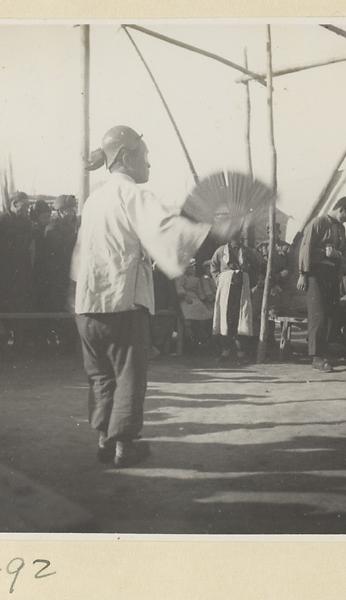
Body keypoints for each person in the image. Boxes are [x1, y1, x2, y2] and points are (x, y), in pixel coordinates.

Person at [75, 125, 235, 468]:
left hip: (88, 305)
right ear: (127, 157)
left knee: (102, 375)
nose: (149, 164)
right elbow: (172, 239)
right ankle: (123, 446)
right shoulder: (131, 194)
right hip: (122, 302)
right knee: (129, 373)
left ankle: (104, 439)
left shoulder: (94, 199)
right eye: (145, 157)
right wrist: (217, 235)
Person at [297, 196, 346, 372]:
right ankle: (317, 358)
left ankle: (319, 349)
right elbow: (305, 248)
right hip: (315, 274)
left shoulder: (341, 229)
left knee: (332, 314)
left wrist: (338, 258)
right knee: (319, 314)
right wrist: (303, 274)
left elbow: (343, 253)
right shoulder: (318, 223)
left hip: (332, 275)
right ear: (341, 209)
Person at [210, 232, 261, 363]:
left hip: (242, 287)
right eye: (235, 239)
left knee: (241, 317)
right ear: (230, 238)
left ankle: (241, 353)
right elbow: (214, 266)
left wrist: (250, 281)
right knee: (226, 317)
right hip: (226, 287)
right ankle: (225, 351)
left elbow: (256, 267)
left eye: (240, 239)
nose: (237, 241)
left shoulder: (247, 252)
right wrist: (219, 279)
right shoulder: (221, 251)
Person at [174, 259, 213, 346]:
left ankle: (204, 337)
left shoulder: (196, 279)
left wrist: (203, 299)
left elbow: (199, 291)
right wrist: (184, 296)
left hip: (196, 298)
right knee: (187, 310)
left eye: (194, 267)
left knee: (204, 311)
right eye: (191, 267)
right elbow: (179, 287)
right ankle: (188, 328)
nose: (193, 269)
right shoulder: (181, 277)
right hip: (185, 298)